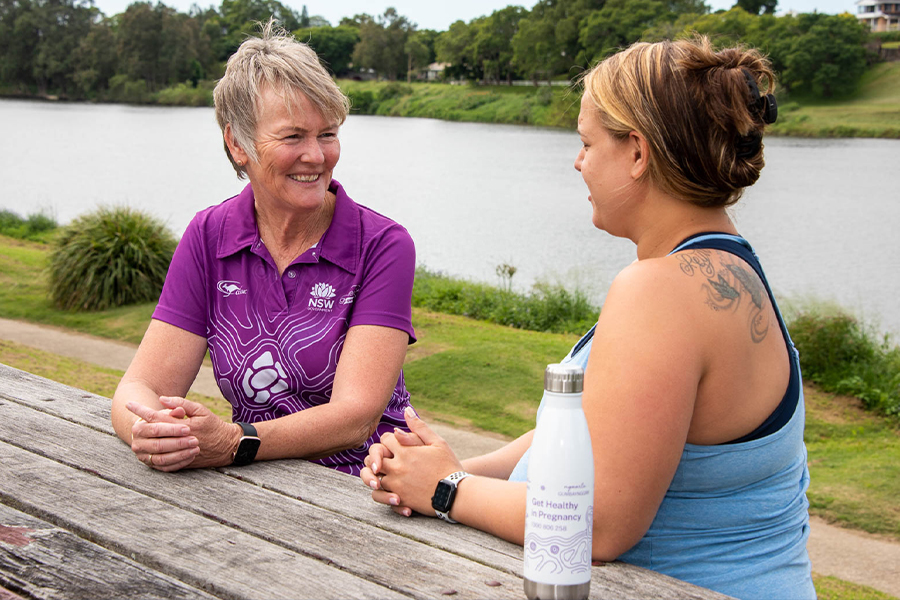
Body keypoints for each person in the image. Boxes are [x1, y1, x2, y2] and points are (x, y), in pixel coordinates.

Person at [360, 36, 815, 600]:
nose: (577, 162)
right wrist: (453, 470)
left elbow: (598, 524)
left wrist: (447, 490)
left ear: (637, 152)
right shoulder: (729, 267)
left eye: (586, 142)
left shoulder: (660, 290)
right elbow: (609, 429)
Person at [111, 22, 416, 476]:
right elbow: (139, 385)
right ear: (238, 143)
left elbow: (356, 417)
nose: (317, 155)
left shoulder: (382, 244)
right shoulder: (209, 235)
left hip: (372, 488)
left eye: (327, 134)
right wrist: (151, 429)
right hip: (258, 484)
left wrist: (236, 442)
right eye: (293, 137)